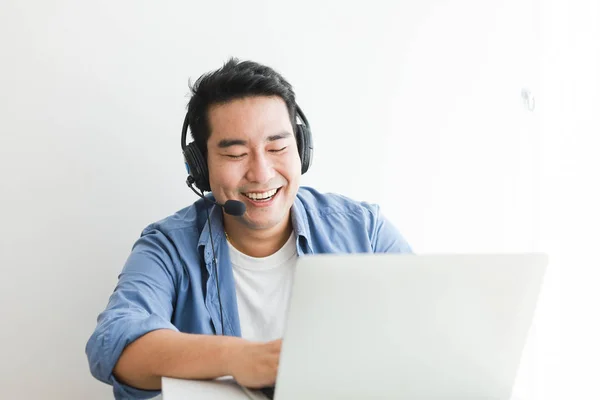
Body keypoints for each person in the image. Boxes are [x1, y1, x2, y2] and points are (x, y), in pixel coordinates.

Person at [85, 57, 412, 399]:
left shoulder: (364, 232)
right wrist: (241, 358)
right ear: (201, 167)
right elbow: (114, 343)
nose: (261, 172)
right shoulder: (168, 246)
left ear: (301, 149)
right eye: (236, 154)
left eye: (277, 147)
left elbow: (429, 333)